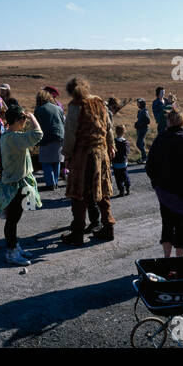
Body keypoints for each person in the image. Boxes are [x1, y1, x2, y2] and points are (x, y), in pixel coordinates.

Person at [61, 76, 117, 246]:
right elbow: (108, 126)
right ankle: (108, 227)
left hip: (82, 155)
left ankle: (77, 233)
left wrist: (67, 155)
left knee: (79, 193)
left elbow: (70, 134)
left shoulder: (75, 106)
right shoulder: (100, 101)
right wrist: (111, 145)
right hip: (101, 153)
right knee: (102, 189)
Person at [146, 110, 183, 257]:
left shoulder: (160, 139)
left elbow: (149, 166)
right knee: (182, 227)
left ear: (170, 122)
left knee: (167, 225)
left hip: (164, 192)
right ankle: (179, 261)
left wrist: (157, 184)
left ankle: (167, 259)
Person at [0, 105, 43, 266]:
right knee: (13, 219)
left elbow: (30, 135)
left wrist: (24, 118)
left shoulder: (10, 135)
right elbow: (38, 134)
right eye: (22, 118)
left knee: (15, 217)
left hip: (15, 181)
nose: (25, 120)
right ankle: (11, 252)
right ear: (15, 120)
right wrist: (33, 117)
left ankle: (14, 246)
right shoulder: (14, 138)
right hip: (16, 184)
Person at [34, 89, 65, 191]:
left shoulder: (39, 110)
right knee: (56, 162)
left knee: (46, 162)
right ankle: (55, 182)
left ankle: (50, 183)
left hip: (46, 138)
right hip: (60, 137)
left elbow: (36, 126)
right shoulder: (58, 108)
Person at [113, 125, 131, 197]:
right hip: (123, 162)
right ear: (124, 132)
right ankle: (128, 188)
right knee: (125, 175)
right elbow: (127, 151)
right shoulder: (125, 142)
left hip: (116, 162)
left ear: (116, 132)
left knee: (118, 178)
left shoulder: (114, 141)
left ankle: (121, 191)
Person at [134, 98, 150, 163]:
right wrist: (137, 124)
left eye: (138, 103)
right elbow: (140, 120)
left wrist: (140, 125)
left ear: (142, 103)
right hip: (140, 129)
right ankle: (144, 158)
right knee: (142, 144)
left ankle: (144, 158)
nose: (137, 104)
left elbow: (148, 121)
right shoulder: (140, 111)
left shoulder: (145, 111)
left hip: (143, 129)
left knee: (138, 144)